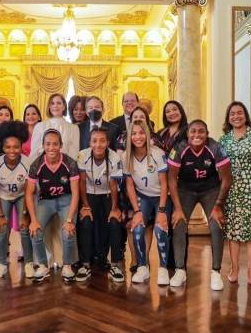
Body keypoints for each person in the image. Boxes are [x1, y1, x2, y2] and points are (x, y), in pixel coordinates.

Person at [168, 120, 232, 291]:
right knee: (179, 223)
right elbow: (171, 180)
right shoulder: (179, 149)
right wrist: (178, 209)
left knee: (216, 225)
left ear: (207, 133)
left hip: (210, 190)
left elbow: (227, 180)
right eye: (193, 131)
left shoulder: (216, 147)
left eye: (201, 131)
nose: (197, 135)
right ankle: (180, 270)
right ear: (187, 133)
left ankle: (216, 271)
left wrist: (218, 206)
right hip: (185, 189)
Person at [219, 102, 251, 285]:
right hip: (231, 190)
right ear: (228, 118)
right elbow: (221, 168)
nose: (236, 116)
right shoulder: (224, 140)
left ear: (245, 115)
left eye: (239, 113)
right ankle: (234, 268)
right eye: (232, 113)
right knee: (233, 231)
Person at [25, 129, 80, 283]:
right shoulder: (36, 164)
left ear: (61, 145)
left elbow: (76, 192)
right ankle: (43, 265)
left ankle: (67, 265)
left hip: (66, 199)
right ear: (43, 145)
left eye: (55, 144)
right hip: (46, 201)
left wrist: (69, 219)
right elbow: (29, 193)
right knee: (35, 230)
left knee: (68, 231)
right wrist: (33, 219)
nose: (51, 147)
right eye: (48, 144)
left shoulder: (70, 163)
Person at [122, 120, 170, 285]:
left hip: (161, 197)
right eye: (134, 133)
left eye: (141, 133)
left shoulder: (157, 153)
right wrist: (136, 211)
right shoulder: (126, 156)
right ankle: (143, 267)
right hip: (143, 196)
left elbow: (165, 184)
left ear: (147, 135)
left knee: (160, 228)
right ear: (129, 136)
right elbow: (129, 186)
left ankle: (163, 269)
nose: (138, 137)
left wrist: (162, 211)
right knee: (137, 228)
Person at [76, 127, 125, 283]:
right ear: (90, 142)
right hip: (88, 194)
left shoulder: (114, 157)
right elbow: (82, 182)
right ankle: (85, 264)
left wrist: (114, 208)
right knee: (85, 222)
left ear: (108, 143)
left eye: (102, 141)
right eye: (95, 141)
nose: (98, 144)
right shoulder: (82, 155)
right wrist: (85, 206)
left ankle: (116, 264)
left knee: (115, 222)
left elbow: (113, 185)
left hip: (108, 195)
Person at [0, 121, 34, 279]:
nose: (12, 150)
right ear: (3, 148)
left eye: (16, 147)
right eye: (8, 147)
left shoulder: (27, 163)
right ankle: (2, 263)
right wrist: (1, 215)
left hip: (22, 195)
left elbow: (29, 189)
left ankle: (29, 263)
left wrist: (25, 214)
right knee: (2, 230)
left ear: (21, 146)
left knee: (25, 228)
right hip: (3, 196)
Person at [158, 100, 188, 269]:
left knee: (180, 223)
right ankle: (167, 262)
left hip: (182, 181)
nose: (171, 113)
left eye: (174, 109)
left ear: (181, 111)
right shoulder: (161, 133)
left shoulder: (188, 130)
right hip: (164, 181)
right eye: (168, 111)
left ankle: (180, 263)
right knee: (167, 222)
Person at [30, 93, 80, 160]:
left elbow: (73, 154)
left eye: (59, 103)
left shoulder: (74, 128)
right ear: (49, 107)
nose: (55, 106)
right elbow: (34, 153)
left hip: (65, 167)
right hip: (42, 166)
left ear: (64, 106)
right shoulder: (39, 126)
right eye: (52, 103)